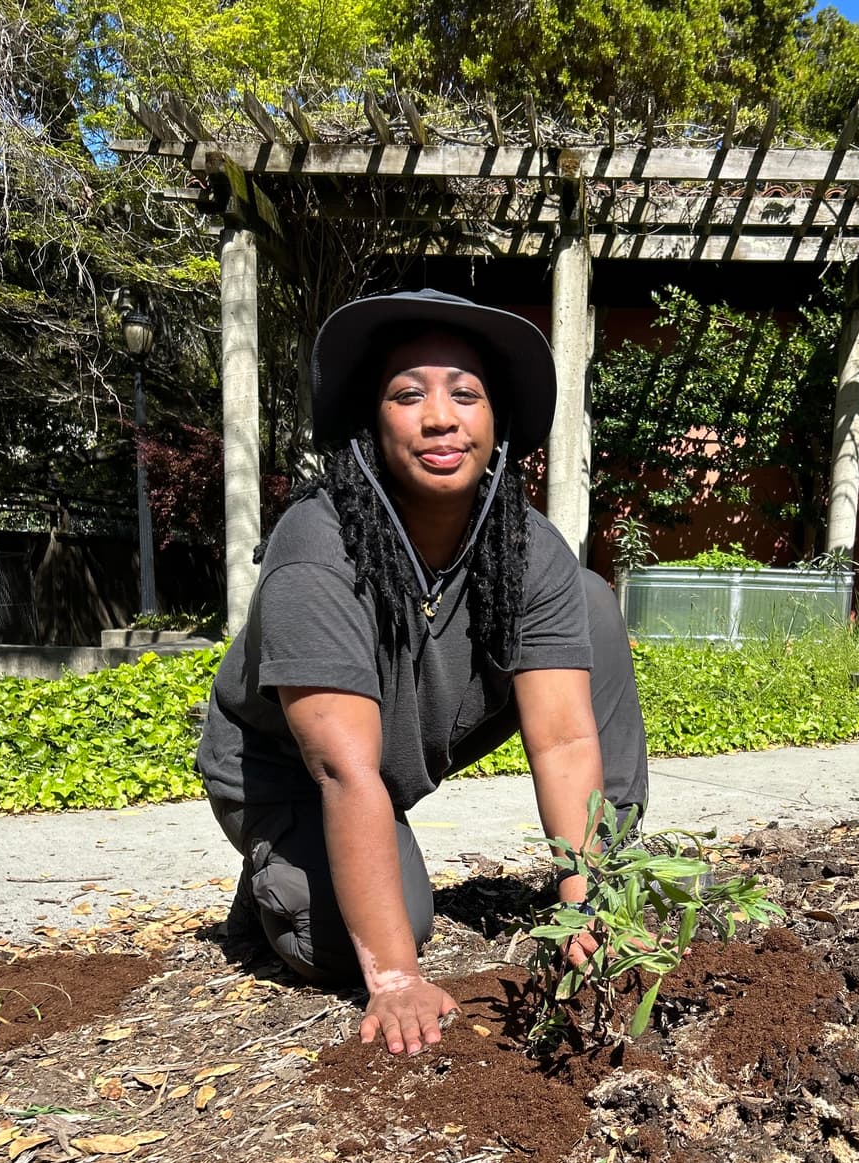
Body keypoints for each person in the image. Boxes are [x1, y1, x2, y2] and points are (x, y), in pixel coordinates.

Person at [197, 288, 648, 1058]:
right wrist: (397, 976)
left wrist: (590, 907)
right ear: (371, 424)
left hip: (398, 745)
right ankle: (281, 862)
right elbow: (342, 770)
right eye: (409, 394)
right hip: (292, 769)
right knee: (367, 938)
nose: (441, 417)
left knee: (590, 603)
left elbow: (566, 741)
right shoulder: (318, 546)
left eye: (465, 395)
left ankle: (613, 875)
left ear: (497, 421)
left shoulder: (527, 547)